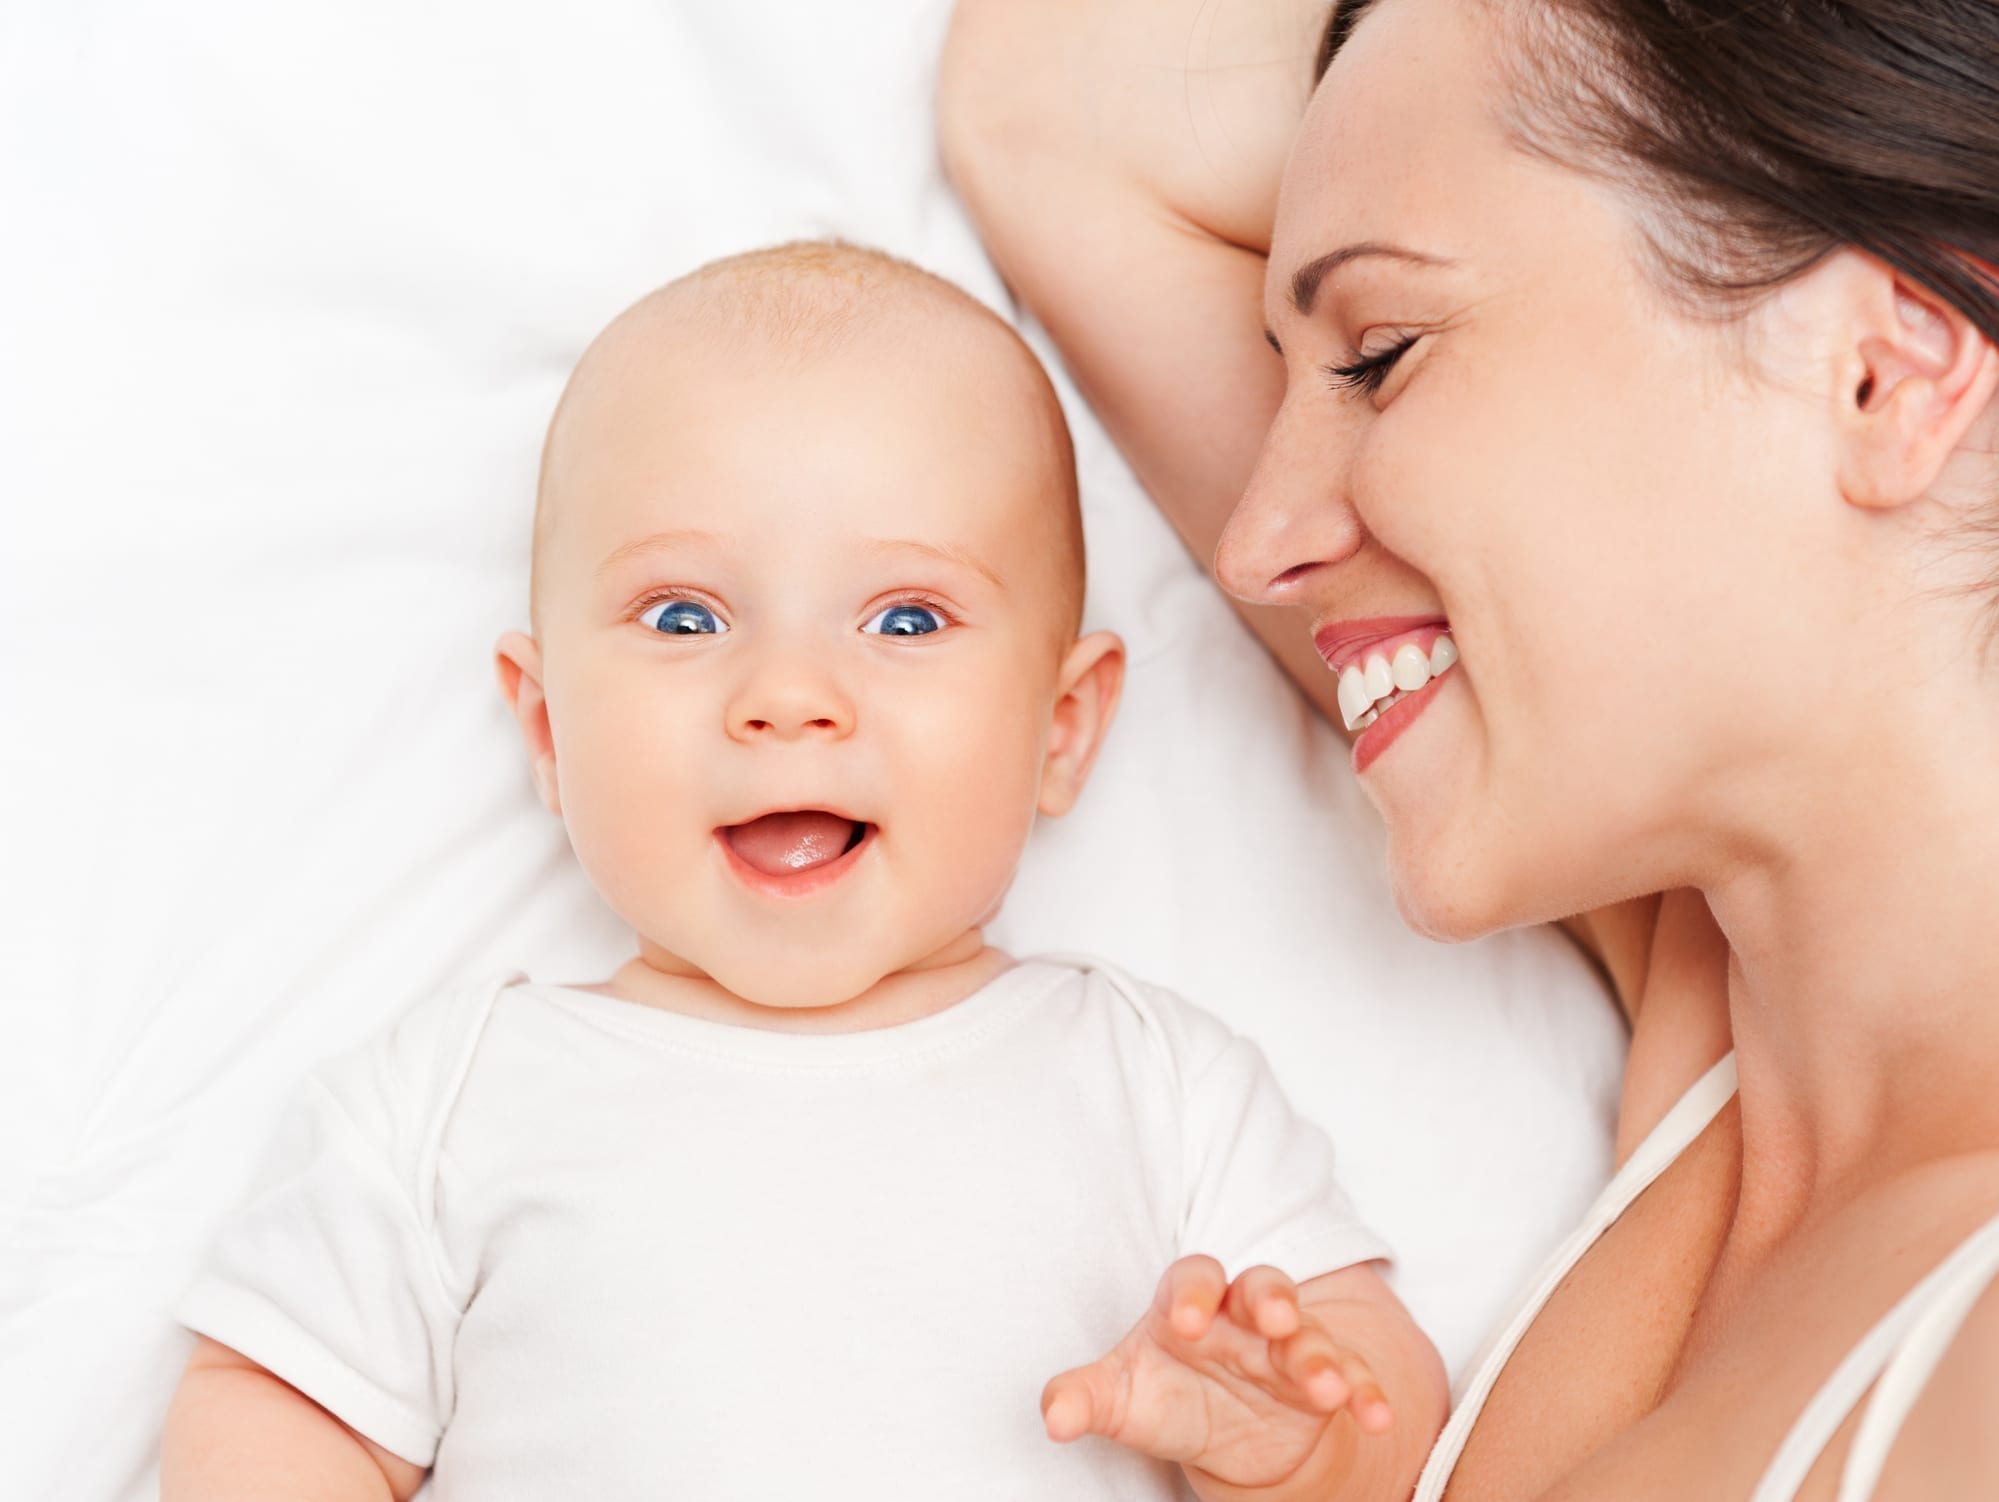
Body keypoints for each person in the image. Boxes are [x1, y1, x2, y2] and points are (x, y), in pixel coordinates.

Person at [157, 241, 1448, 1501]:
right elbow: (276, 1401)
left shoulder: (1156, 1081)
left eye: (905, 618)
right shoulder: (447, 1100)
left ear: (1060, 729)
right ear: (550, 728)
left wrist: (1293, 1442)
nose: (786, 695)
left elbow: (1381, 1408)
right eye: (685, 617)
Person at [941, 0, 1999, 1496]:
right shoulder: (1733, 1037)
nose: (1255, 543)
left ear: (1884, 371)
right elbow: (1054, 98)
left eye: (1378, 355)